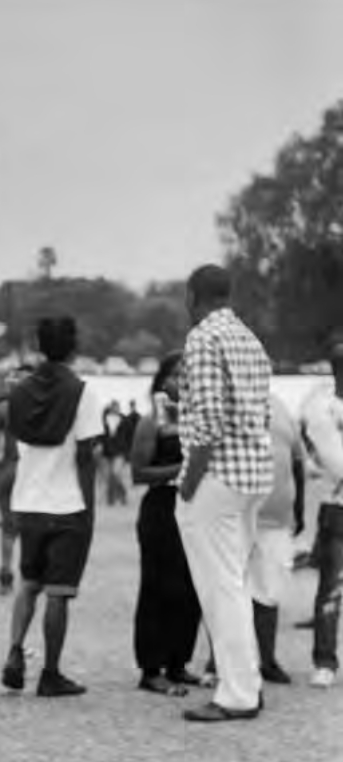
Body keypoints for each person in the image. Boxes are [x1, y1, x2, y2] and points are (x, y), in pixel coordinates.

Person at [175, 265, 273, 723]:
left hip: (216, 477)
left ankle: (237, 694)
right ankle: (247, 682)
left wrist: (189, 484)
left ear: (193, 296)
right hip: (254, 476)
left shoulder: (202, 338)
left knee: (221, 591)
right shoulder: (249, 338)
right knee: (236, 585)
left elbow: (209, 422)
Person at [1, 316, 102, 697]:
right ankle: (51, 673)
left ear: (39, 345)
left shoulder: (20, 391)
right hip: (68, 504)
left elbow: (14, 447)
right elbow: (87, 455)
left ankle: (14, 652)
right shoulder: (82, 392)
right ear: (74, 346)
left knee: (29, 582)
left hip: (28, 501)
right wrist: (90, 510)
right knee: (59, 592)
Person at [130, 353, 203, 694]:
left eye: (188, 374)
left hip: (195, 507)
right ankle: (151, 668)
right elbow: (139, 472)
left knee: (190, 587)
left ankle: (178, 662)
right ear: (161, 381)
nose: (183, 380)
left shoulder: (199, 419)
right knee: (158, 586)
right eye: (176, 374)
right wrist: (183, 470)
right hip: (161, 507)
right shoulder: (150, 423)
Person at [247, 393, 304, 684]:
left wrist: (300, 508)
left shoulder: (281, 407)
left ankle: (267, 660)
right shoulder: (229, 403)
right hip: (238, 518)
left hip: (278, 521)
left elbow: (297, 462)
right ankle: (219, 662)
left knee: (270, 592)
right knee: (232, 591)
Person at [300, 330, 343, 689]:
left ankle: (325, 660)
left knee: (330, 586)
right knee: (331, 586)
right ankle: (325, 659)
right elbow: (335, 460)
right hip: (337, 507)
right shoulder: (321, 408)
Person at [0, 365, 30, 594]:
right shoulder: (42, 409)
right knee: (31, 526)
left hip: (10, 469)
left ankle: (5, 570)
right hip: (34, 472)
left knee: (8, 527)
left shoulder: (2, 408)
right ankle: (30, 577)